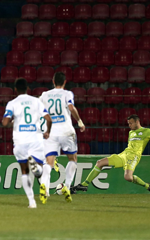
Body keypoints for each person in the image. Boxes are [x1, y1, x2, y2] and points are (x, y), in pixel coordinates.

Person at [72, 114, 150, 195]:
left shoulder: (147, 132)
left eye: (131, 123)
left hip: (134, 157)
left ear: (137, 122)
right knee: (100, 162)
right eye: (128, 123)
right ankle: (85, 184)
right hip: (124, 154)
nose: (129, 125)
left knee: (128, 177)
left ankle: (148, 186)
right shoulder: (131, 132)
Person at [2, 78, 52, 208]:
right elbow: (49, 119)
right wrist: (47, 132)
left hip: (20, 141)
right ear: (27, 88)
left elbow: (5, 122)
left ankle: (32, 202)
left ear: (15, 90)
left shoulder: (12, 103)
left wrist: (11, 123)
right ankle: (37, 169)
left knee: (24, 171)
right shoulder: (36, 101)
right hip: (35, 139)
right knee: (40, 170)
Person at [39, 72, 85, 202]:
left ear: (53, 81)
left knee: (49, 162)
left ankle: (45, 188)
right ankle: (67, 186)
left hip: (51, 132)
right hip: (66, 131)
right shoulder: (67, 94)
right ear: (64, 82)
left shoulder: (44, 95)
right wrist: (80, 121)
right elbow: (71, 108)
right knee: (73, 159)